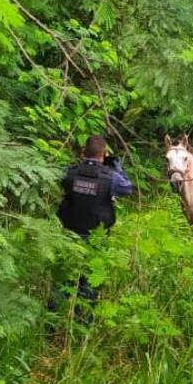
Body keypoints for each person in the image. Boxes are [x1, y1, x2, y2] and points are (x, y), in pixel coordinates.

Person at [54, 135, 133, 316]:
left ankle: (51, 325)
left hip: (69, 234)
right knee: (90, 284)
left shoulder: (69, 172)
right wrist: (118, 168)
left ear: (83, 153)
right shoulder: (111, 177)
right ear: (104, 154)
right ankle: (83, 327)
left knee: (63, 280)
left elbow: (57, 177)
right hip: (96, 237)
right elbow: (128, 188)